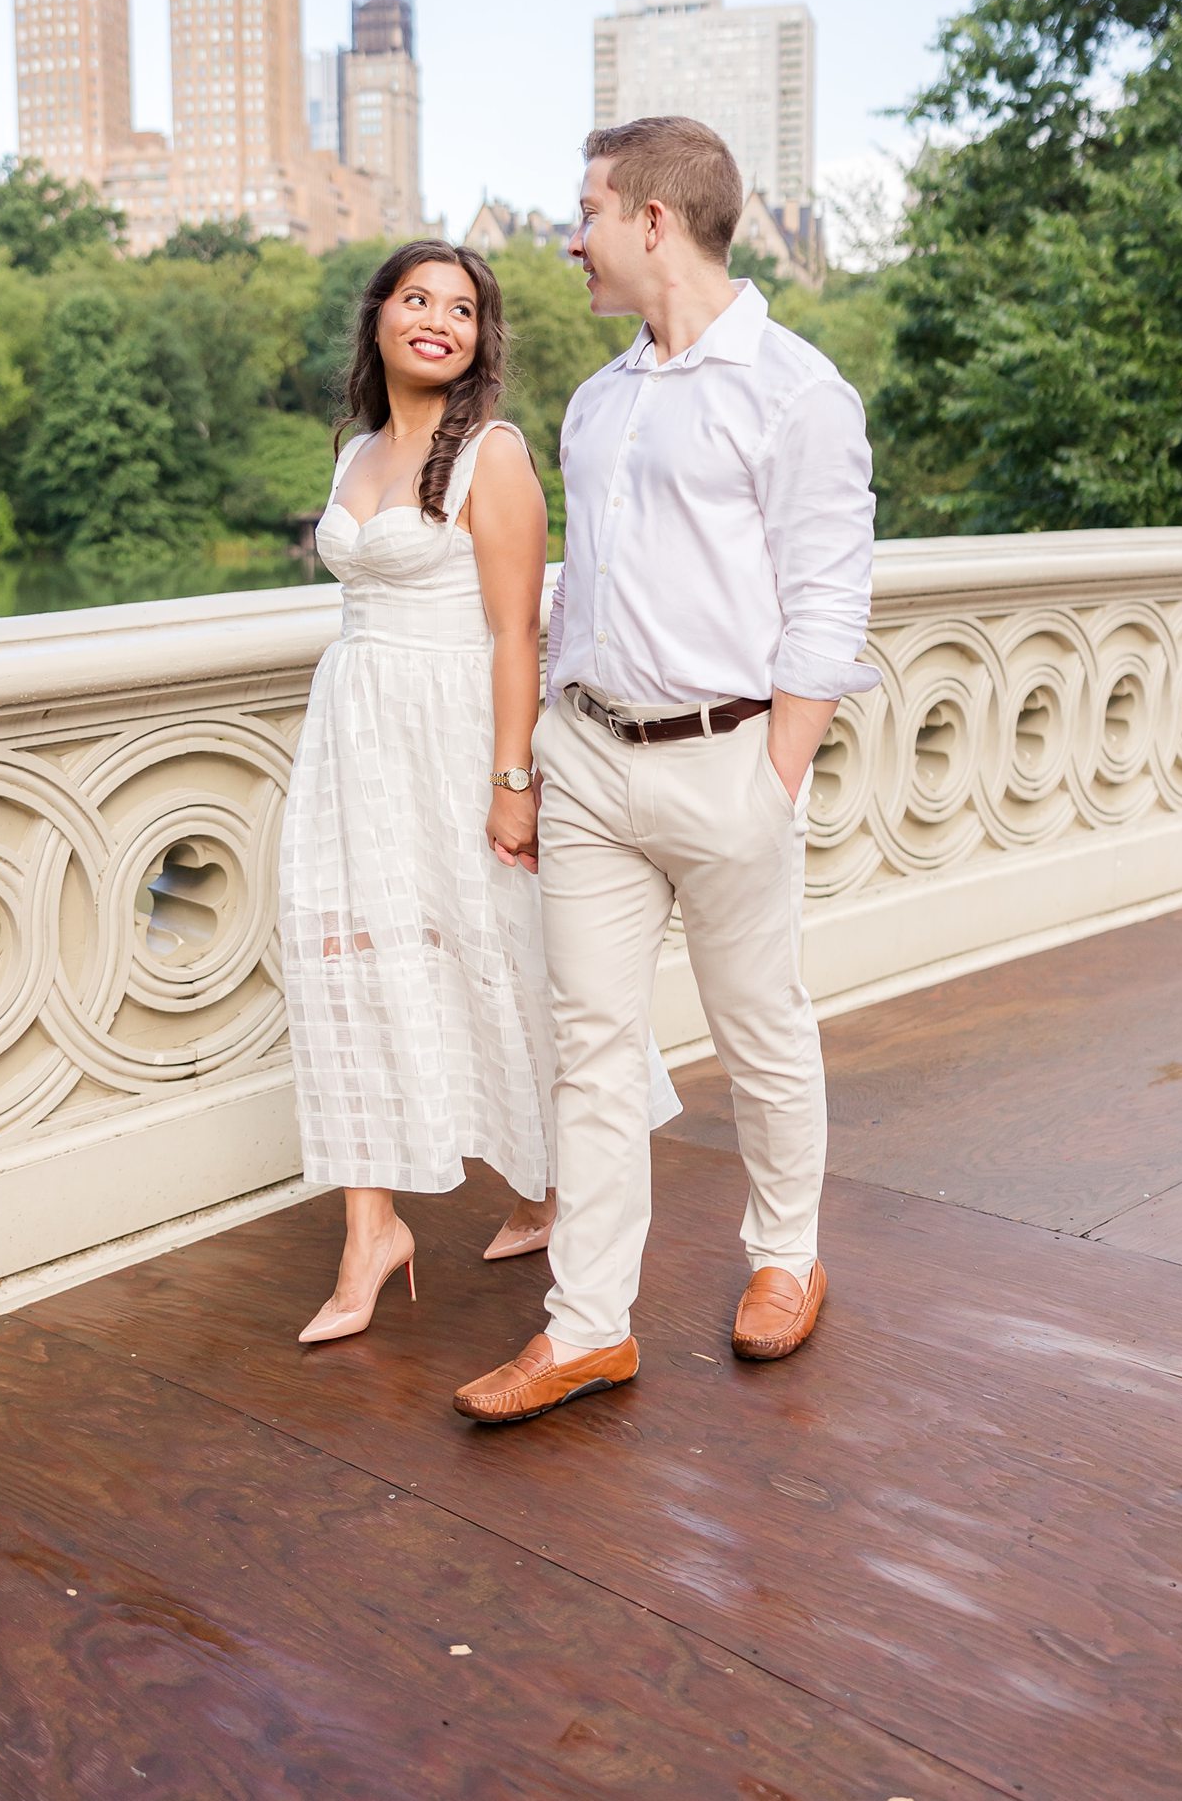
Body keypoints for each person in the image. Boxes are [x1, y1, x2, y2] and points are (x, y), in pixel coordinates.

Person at [454, 118, 879, 1424]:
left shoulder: (798, 391)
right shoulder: (597, 401)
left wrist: (775, 772)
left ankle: (785, 1258)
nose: (567, 240)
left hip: (727, 763)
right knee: (587, 1049)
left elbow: (826, 603)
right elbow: (584, 591)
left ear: (652, 219)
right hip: (590, 762)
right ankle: (586, 1328)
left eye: (584, 212)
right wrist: (531, 761)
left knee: (760, 1027)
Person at [278, 239, 678, 1345]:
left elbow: (518, 632)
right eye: (416, 300)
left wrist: (513, 782)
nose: (436, 321)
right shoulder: (356, 449)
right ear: (378, 320)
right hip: (355, 731)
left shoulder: (490, 454)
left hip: (456, 729)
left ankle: (551, 1184)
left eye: (460, 308)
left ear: (478, 338)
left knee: (503, 957)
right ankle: (371, 1233)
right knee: (345, 964)